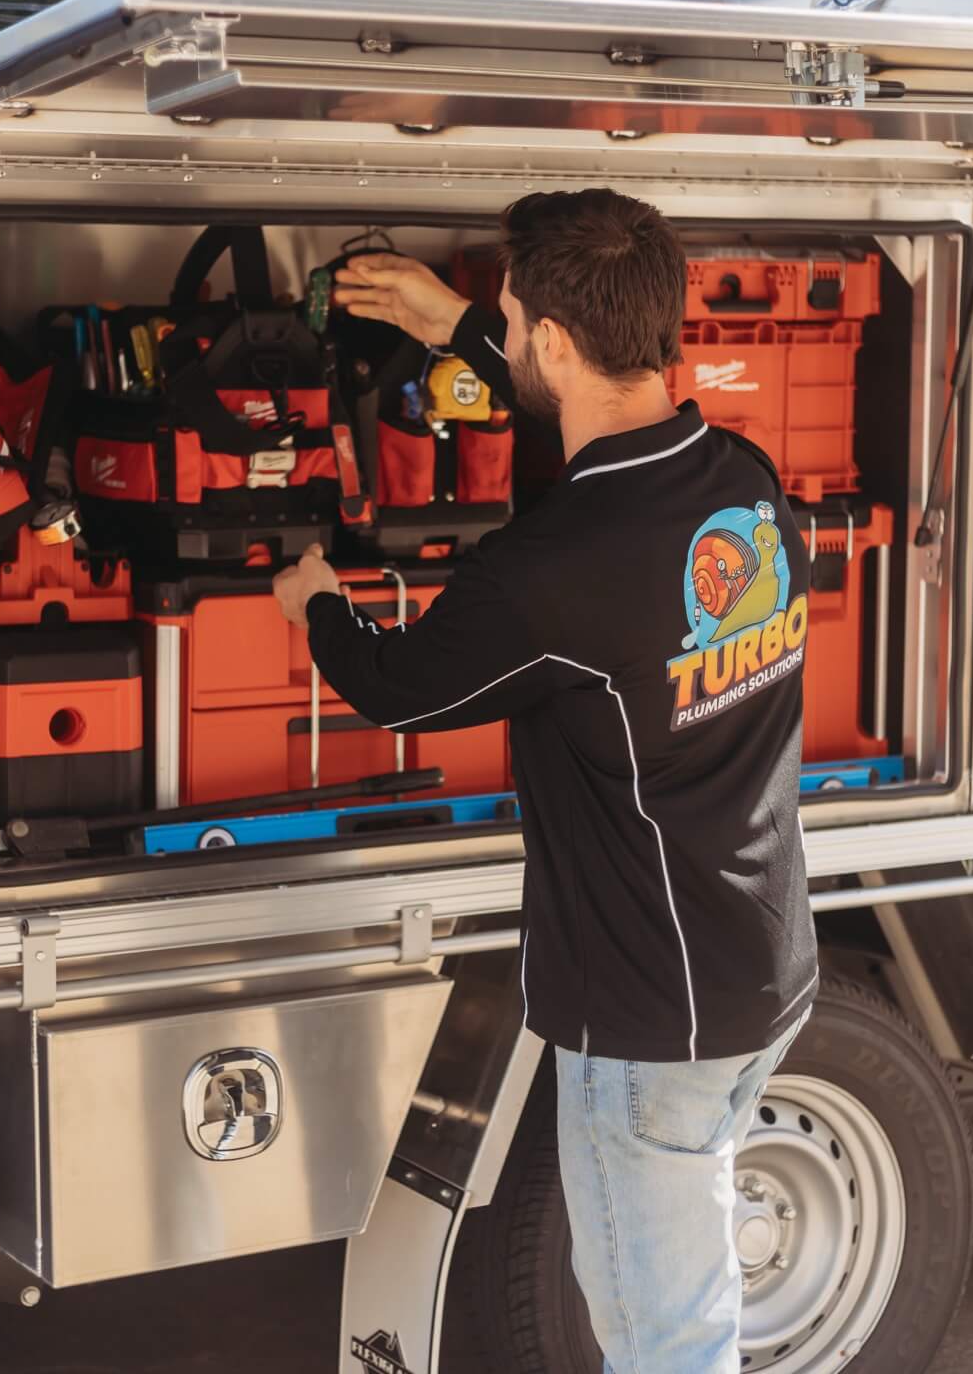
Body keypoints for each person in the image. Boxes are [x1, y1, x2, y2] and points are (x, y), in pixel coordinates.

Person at [271, 189, 819, 1374]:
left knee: (665, 1342)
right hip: (760, 971)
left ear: (557, 343)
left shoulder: (548, 571)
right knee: (689, 1293)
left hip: (648, 1019)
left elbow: (398, 686)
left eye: (514, 324)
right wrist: (455, 322)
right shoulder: (743, 479)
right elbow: (577, 408)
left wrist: (312, 599)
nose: (508, 337)